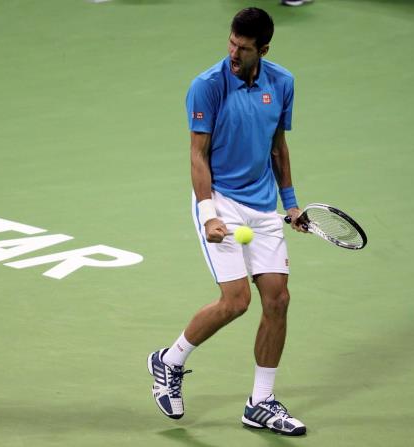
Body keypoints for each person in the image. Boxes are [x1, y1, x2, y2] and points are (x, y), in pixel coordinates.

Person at [147, 7, 307, 436]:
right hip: (221, 200)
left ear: (263, 50)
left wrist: (291, 204)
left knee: (278, 300)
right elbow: (197, 155)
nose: (234, 53)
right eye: (232, 43)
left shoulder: (283, 83)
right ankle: (169, 360)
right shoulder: (207, 86)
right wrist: (208, 214)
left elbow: (278, 146)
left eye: (244, 48)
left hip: (263, 205)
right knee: (236, 301)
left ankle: (260, 402)